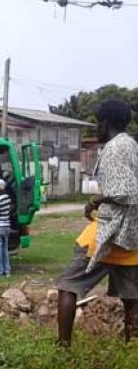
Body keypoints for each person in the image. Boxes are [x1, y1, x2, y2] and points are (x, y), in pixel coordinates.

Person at [56, 100, 138, 346]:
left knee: (68, 286)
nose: (96, 129)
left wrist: (94, 201)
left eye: (97, 123)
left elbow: (127, 191)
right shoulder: (131, 144)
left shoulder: (113, 149)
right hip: (132, 235)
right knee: (133, 300)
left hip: (109, 231)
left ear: (106, 122)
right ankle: (131, 353)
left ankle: (63, 349)